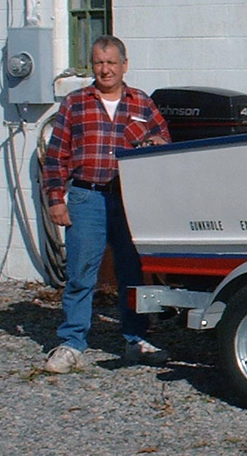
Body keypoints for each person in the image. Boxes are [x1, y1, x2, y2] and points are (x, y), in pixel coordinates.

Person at [41, 35, 171, 373]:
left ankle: (136, 337)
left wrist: (155, 141)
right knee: (81, 273)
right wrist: (57, 200)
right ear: (92, 65)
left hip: (130, 200)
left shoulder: (141, 103)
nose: (105, 69)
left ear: (124, 65)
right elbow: (56, 157)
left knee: (133, 272)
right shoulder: (75, 103)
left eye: (112, 62)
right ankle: (72, 342)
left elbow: (165, 143)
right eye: (99, 62)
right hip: (86, 196)